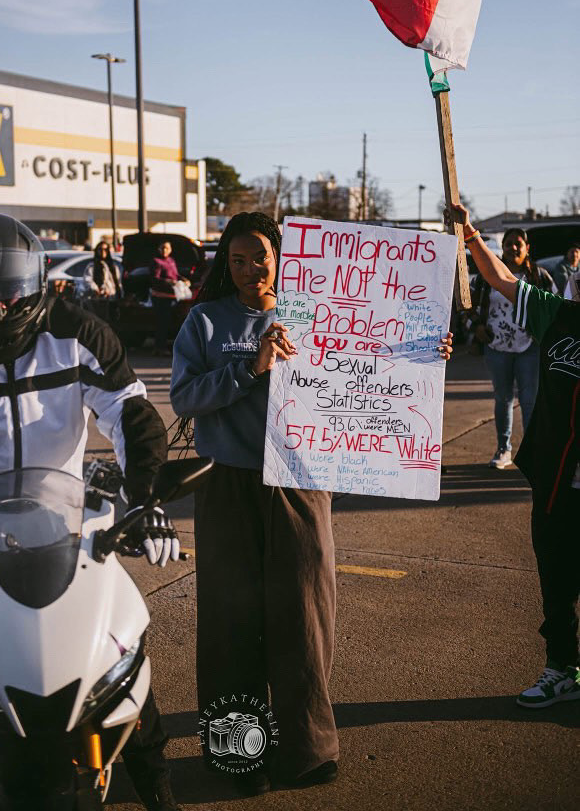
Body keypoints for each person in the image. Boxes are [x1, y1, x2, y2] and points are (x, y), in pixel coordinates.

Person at [0, 214, 181, 810]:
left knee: (119, 649)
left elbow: (129, 415)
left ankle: (155, 781)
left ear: (34, 282)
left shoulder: (80, 335)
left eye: (8, 288)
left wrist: (148, 499)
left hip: (62, 527)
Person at [170, 211, 452, 795]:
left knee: (305, 616)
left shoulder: (323, 306)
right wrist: (250, 368)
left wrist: (424, 353)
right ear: (227, 265)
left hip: (301, 479)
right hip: (227, 485)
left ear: (282, 253)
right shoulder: (204, 321)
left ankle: (306, 751)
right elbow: (184, 397)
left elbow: (378, 357)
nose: (251, 269)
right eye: (238, 260)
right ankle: (236, 756)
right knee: (230, 622)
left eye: (261, 256)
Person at [449, 202, 580, 709]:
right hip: (556, 481)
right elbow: (502, 281)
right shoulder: (557, 315)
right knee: (557, 584)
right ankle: (562, 670)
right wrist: (472, 236)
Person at [465, 226, 554, 469]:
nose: (513, 247)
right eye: (508, 243)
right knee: (502, 399)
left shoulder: (539, 277)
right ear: (502, 247)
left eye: (518, 243)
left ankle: (532, 452)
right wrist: (477, 327)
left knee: (529, 401)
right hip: (496, 347)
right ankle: (504, 450)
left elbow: (554, 309)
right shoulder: (486, 275)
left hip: (530, 348)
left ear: (527, 248)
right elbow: (466, 303)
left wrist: (542, 334)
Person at [150, 240, 188, 356]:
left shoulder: (171, 260)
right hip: (160, 296)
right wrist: (170, 282)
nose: (164, 250)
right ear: (158, 249)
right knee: (162, 322)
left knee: (171, 322)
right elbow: (155, 279)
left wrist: (184, 279)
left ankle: (167, 346)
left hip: (172, 296)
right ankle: (159, 347)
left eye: (167, 248)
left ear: (170, 250)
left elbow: (175, 275)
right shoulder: (156, 261)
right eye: (162, 248)